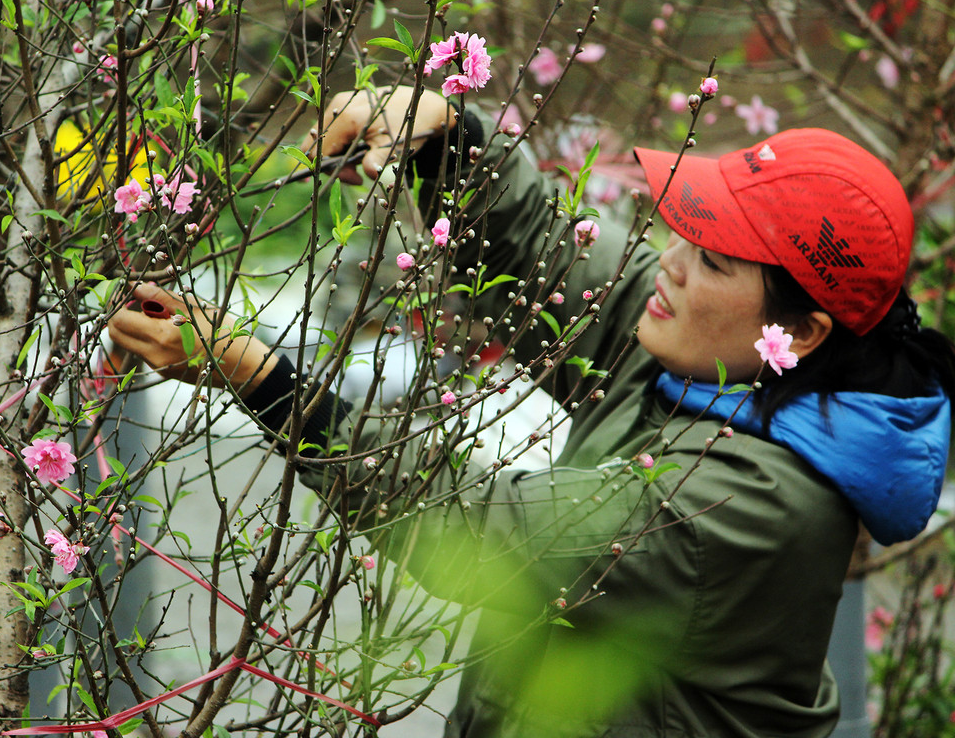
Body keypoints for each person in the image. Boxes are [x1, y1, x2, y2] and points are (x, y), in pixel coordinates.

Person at [108, 87, 955, 738]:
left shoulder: (752, 504)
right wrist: (441, 137)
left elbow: (474, 525)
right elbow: (544, 252)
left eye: (715, 263)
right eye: (687, 234)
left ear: (800, 332)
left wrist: (263, 378)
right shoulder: (713, 362)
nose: (671, 263)